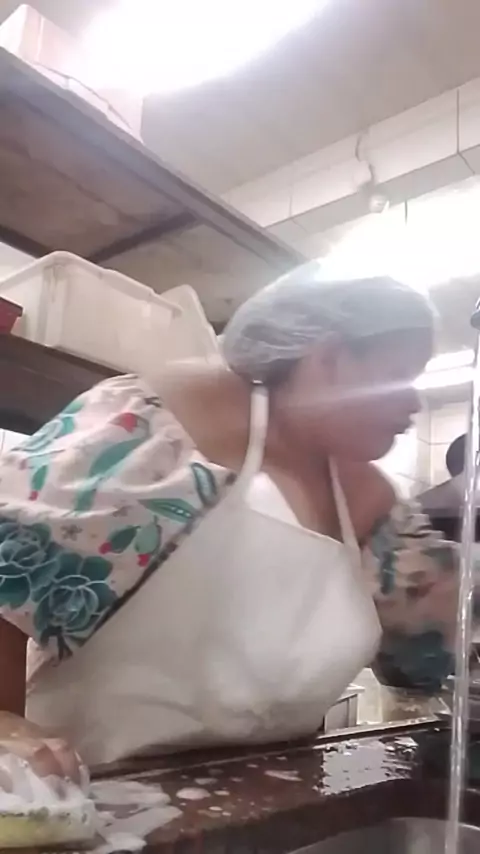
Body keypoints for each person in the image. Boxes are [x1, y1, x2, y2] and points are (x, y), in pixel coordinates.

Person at [0, 269, 460, 774]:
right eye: (401, 374)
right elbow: (8, 564)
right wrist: (6, 726)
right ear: (327, 359)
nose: (415, 402)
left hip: (264, 798)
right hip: (88, 792)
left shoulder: (372, 500)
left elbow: (424, 659)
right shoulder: (173, 416)